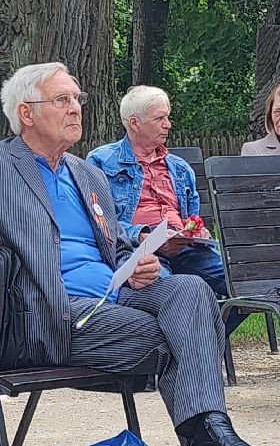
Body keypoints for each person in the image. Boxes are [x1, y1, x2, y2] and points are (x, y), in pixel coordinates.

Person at [0, 62, 280, 446]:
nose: (75, 107)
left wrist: (139, 264)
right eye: (62, 100)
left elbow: (115, 248)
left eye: (77, 98)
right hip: (45, 318)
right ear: (25, 112)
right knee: (185, 337)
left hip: (114, 303)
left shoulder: (88, 176)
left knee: (189, 289)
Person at [85, 86, 244, 331]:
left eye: (167, 117)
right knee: (181, 294)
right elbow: (99, 221)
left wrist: (196, 233)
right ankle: (196, 349)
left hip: (186, 250)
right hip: (139, 252)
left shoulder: (179, 167)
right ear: (135, 123)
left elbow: (191, 217)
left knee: (246, 281)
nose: (168, 124)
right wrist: (141, 235)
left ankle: (208, 343)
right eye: (160, 118)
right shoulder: (100, 161)